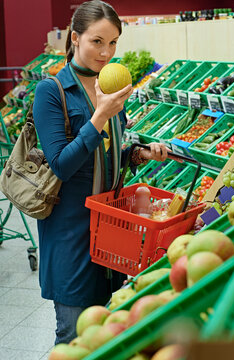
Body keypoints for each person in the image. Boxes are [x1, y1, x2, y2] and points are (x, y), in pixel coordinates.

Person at [33, 0, 169, 345]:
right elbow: (62, 164)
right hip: (71, 233)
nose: (106, 52)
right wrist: (100, 116)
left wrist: (138, 154)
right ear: (75, 38)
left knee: (108, 332)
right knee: (74, 335)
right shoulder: (52, 92)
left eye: (113, 43)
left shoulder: (109, 86)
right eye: (97, 41)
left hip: (112, 231)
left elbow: (107, 155)